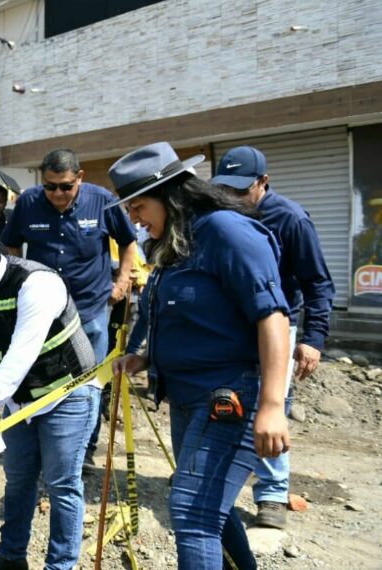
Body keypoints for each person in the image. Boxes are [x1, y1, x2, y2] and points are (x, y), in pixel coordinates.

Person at [109, 142, 291, 570]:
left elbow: (274, 318)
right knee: (210, 508)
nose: (133, 218)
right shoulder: (174, 242)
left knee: (192, 512)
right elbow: (189, 315)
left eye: (138, 206)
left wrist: (272, 406)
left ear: (170, 195)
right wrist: (145, 358)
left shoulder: (226, 232)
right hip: (189, 398)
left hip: (233, 395)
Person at [0, 226, 98, 570]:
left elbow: (22, 353)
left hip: (66, 394)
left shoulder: (37, 284)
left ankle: (60, 566)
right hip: (19, 401)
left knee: (61, 484)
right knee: (19, 478)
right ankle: (12, 557)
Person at [212, 145, 335, 529]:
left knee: (271, 406)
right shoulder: (219, 216)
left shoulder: (291, 220)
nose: (231, 198)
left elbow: (318, 283)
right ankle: (216, 480)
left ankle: (272, 493)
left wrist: (313, 339)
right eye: (224, 189)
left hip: (276, 327)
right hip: (228, 327)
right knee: (222, 402)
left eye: (239, 189)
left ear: (263, 182)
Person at [0, 148, 138, 470]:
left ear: (80, 178)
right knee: (44, 380)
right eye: (50, 186)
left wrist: (122, 281)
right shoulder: (29, 203)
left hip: (90, 311)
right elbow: (10, 245)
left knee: (90, 385)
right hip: (43, 315)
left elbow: (129, 242)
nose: (57, 194)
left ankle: (85, 451)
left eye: (65, 186)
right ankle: (47, 445)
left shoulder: (102, 200)